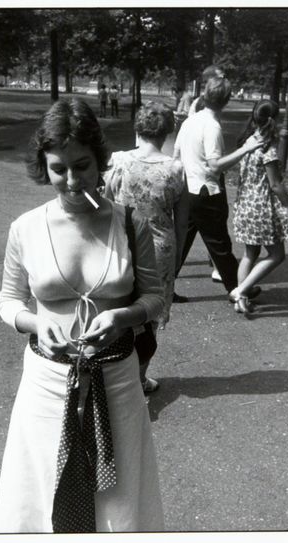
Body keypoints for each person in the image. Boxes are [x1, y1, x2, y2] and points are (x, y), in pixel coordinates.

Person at [0, 98, 165, 533]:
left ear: (101, 159)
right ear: (43, 166)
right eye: (57, 168)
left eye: (82, 165)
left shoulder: (130, 224)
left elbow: (155, 298)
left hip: (118, 381)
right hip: (47, 383)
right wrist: (36, 322)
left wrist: (123, 317)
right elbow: (9, 301)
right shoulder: (25, 228)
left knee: (118, 498)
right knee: (42, 492)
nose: (71, 180)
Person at [104, 101, 188, 394]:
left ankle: (114, 373)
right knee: (149, 315)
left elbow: (104, 203)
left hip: (123, 243)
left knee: (118, 306)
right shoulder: (175, 169)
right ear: (167, 132)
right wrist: (176, 258)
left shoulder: (119, 162)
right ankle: (138, 377)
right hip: (159, 247)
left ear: (137, 128)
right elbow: (182, 222)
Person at [172, 76, 265, 298]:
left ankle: (164, 287)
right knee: (219, 243)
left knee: (182, 243)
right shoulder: (212, 126)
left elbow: (176, 155)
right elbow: (215, 167)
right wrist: (246, 148)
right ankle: (236, 289)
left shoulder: (190, 121)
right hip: (206, 191)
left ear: (204, 95)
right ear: (227, 100)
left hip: (188, 189)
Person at [229, 100, 288, 314]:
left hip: (244, 204)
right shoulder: (268, 149)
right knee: (277, 255)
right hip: (260, 207)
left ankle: (241, 300)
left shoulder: (248, 141)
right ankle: (241, 290)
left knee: (249, 254)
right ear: (275, 120)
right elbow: (276, 185)